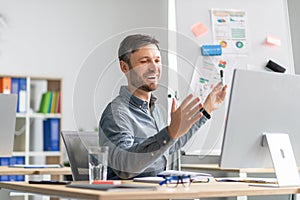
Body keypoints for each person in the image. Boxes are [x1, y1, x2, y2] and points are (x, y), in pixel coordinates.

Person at [99, 34, 228, 180]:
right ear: (124, 67)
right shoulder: (116, 113)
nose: (154, 67)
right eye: (144, 61)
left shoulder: (156, 110)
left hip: (159, 190)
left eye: (157, 60)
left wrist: (206, 110)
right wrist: (170, 133)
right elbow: (124, 167)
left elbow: (168, 147)